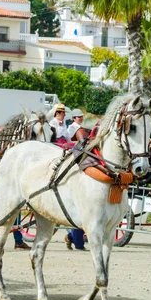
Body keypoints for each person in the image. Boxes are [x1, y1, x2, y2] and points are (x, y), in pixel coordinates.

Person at [64, 108, 88, 251]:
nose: (80, 119)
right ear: (73, 118)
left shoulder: (82, 128)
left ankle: (72, 238)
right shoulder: (71, 129)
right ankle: (77, 242)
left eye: (81, 117)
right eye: (78, 117)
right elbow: (70, 142)